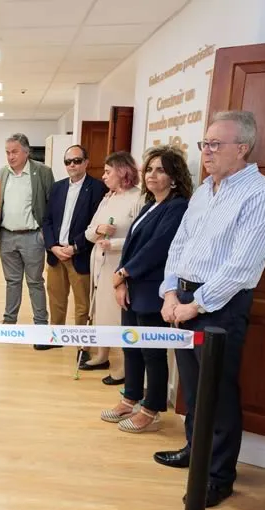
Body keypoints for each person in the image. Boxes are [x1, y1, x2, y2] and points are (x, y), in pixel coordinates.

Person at [154, 111, 265, 507]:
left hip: (220, 306)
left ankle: (218, 476)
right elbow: (179, 245)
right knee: (194, 390)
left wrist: (197, 305)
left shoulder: (262, 194)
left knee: (219, 393)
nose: (206, 152)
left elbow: (243, 266)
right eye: (204, 144)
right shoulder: (203, 191)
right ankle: (195, 453)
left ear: (242, 148)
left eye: (215, 144)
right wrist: (170, 293)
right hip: (184, 299)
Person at [100, 145, 192, 433]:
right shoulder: (151, 203)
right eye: (149, 169)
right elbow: (131, 244)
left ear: (174, 177)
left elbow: (158, 249)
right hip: (133, 287)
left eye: (161, 170)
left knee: (152, 352)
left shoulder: (177, 207)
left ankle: (151, 409)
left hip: (153, 291)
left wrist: (123, 272)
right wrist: (122, 279)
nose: (152, 175)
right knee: (132, 347)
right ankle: (130, 397)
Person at [80, 152, 144, 385]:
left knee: (117, 315)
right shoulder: (108, 198)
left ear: (123, 172)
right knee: (99, 311)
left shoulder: (139, 199)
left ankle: (124, 367)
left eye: (108, 172)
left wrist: (114, 242)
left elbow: (141, 239)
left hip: (119, 265)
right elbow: (89, 231)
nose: (104, 176)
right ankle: (102, 355)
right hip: (99, 261)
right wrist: (99, 230)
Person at [43, 144, 107, 359]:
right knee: (56, 300)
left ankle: (83, 347)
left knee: (82, 305)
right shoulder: (58, 187)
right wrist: (53, 246)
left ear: (86, 163)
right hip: (55, 254)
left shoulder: (98, 189)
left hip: (80, 255)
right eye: (68, 161)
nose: (72, 165)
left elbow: (95, 225)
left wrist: (74, 247)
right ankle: (57, 338)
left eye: (77, 161)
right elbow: (47, 221)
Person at [0, 133, 53, 349]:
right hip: (7, 236)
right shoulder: (2, 173)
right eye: (8, 152)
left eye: (15, 152)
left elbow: (51, 205)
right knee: (12, 282)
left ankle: (41, 328)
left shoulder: (42, 172)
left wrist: (43, 235)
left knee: (35, 282)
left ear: (26, 152)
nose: (10, 156)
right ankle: (10, 323)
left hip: (32, 236)